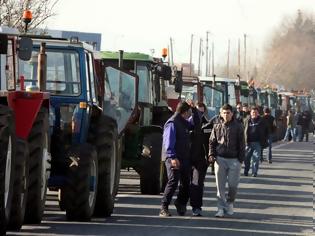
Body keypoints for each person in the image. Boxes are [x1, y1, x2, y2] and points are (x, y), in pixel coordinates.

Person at [159, 101, 198, 217]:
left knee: (186, 183)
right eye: (189, 113)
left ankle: (180, 203)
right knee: (173, 181)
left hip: (185, 158)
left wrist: (195, 110)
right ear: (184, 112)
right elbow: (168, 142)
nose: (189, 115)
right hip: (174, 158)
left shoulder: (183, 122)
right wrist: (172, 157)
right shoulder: (172, 123)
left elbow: (194, 124)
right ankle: (164, 207)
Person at [208, 104, 245, 218]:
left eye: (228, 112)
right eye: (224, 112)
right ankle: (220, 208)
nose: (226, 114)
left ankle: (230, 203)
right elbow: (211, 141)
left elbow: (242, 144)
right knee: (220, 187)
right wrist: (211, 154)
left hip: (234, 160)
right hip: (220, 159)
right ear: (220, 113)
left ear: (232, 113)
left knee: (233, 186)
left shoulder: (238, 126)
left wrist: (240, 160)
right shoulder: (217, 125)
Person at [189, 102, 209, 216]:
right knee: (186, 184)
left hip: (201, 159)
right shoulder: (186, 123)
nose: (199, 114)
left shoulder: (208, 125)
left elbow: (212, 143)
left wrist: (210, 156)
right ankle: (181, 203)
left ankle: (196, 207)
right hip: (186, 158)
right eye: (197, 112)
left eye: (201, 112)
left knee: (198, 183)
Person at [244, 106, 268, 177]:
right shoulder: (246, 120)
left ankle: (254, 172)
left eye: (256, 112)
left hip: (258, 143)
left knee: (256, 158)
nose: (254, 114)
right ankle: (246, 170)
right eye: (253, 112)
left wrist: (264, 139)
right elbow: (243, 130)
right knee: (246, 158)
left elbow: (266, 130)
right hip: (248, 142)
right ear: (250, 113)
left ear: (258, 113)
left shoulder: (262, 121)